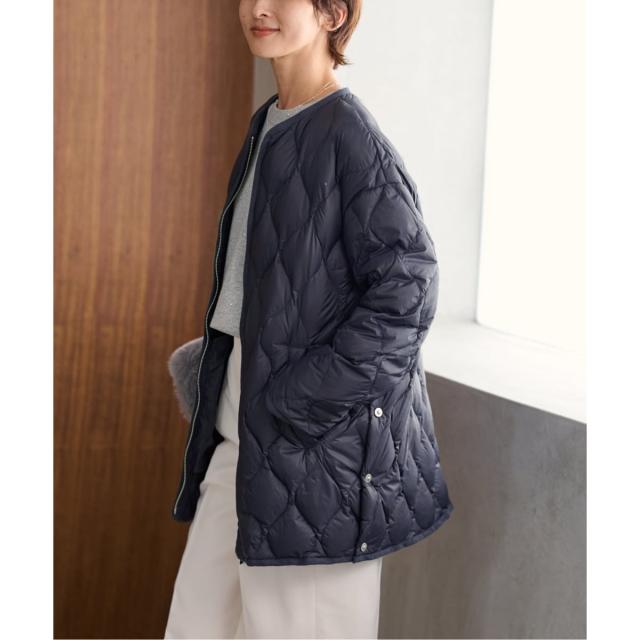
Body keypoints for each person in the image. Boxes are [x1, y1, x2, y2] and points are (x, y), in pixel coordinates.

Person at [165, 1, 454, 638]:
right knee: (196, 626)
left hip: (313, 452)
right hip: (243, 434)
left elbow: (408, 290)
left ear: (332, 13)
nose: (257, 8)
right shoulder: (272, 120)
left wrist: (301, 399)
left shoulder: (350, 136)